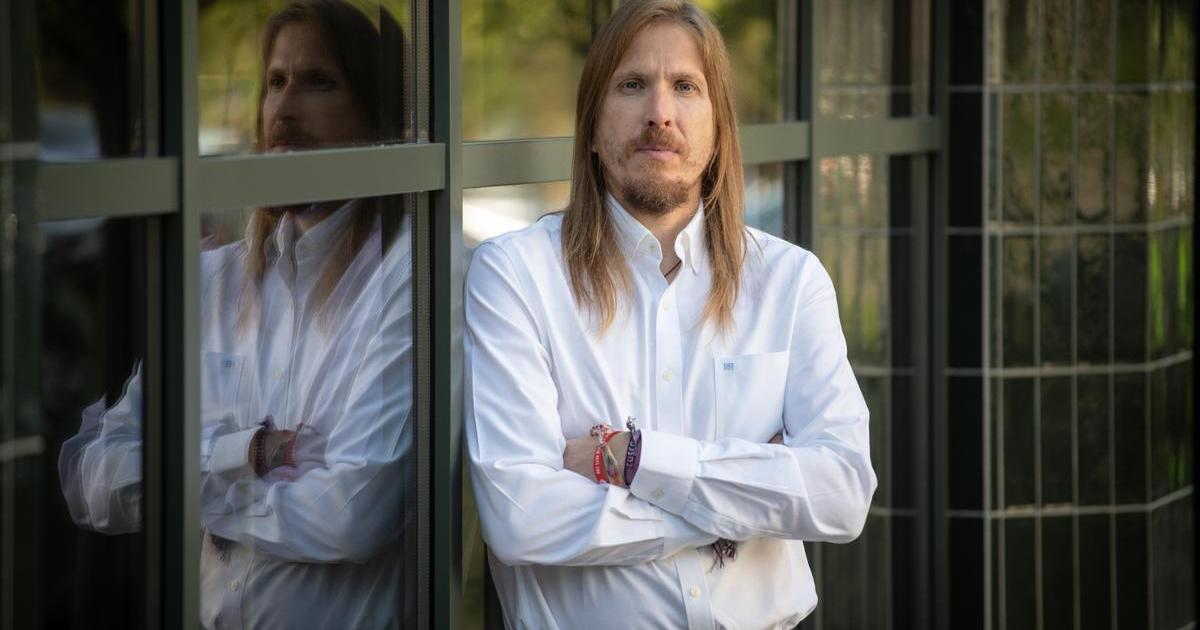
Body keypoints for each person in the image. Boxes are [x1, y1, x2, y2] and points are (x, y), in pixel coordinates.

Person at [464, 1, 877, 627]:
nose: (660, 112)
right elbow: (521, 518)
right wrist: (754, 492)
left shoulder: (791, 282)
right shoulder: (516, 276)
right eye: (632, 85)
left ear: (719, 130)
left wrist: (629, 460)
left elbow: (842, 493)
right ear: (592, 126)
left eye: (686, 86)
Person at [57, 2, 414, 627]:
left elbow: (351, 515)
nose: (284, 110)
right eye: (275, 82)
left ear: (374, 118)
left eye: (319, 82)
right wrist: (245, 452)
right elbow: (93, 478)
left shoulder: (409, 277)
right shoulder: (216, 283)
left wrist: (181, 479)